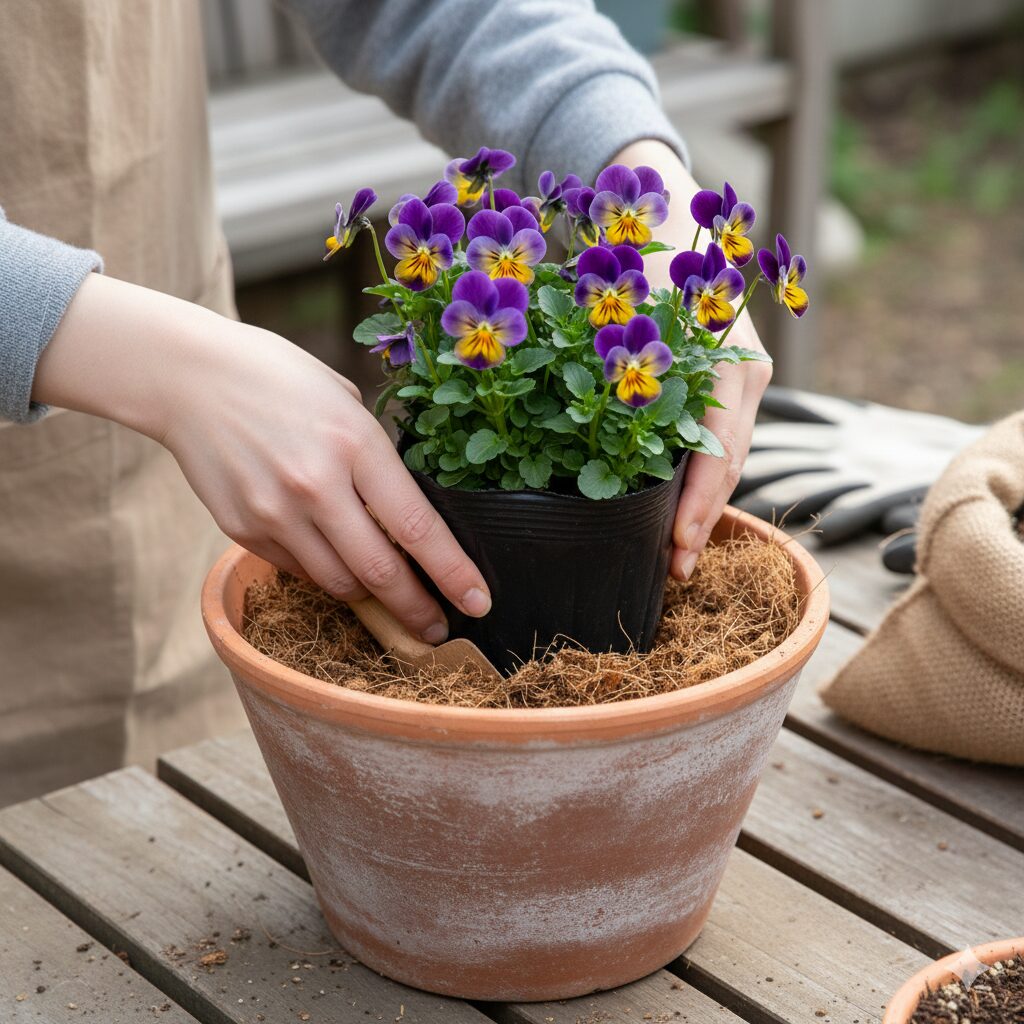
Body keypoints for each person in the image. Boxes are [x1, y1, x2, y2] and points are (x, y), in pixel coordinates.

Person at [0, 0, 770, 803]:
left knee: (164, 821)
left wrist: (628, 156)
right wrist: (156, 364)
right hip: (161, 389)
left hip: (178, 455)